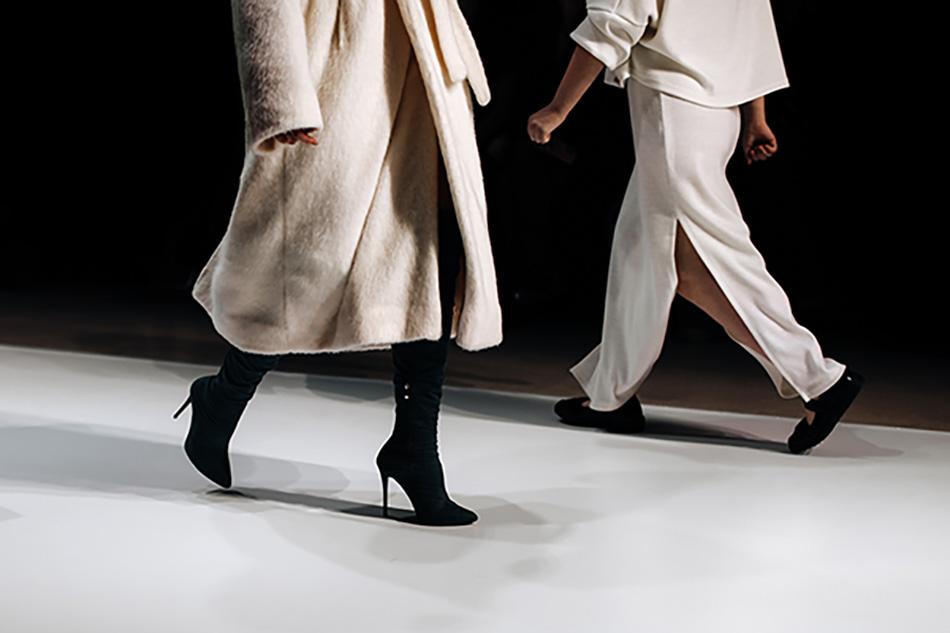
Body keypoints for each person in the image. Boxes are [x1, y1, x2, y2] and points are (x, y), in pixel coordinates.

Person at [172, 0, 503, 526]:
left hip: (422, 63)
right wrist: (278, 96)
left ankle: (415, 448)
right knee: (306, 266)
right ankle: (223, 396)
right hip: (342, 67)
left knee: (427, 255)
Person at [527, 0, 863, 453]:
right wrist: (754, 116)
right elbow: (752, 30)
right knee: (641, 249)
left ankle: (818, 379)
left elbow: (616, 20)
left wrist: (558, 107)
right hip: (718, 113)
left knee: (700, 263)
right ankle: (612, 395)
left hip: (673, 109)